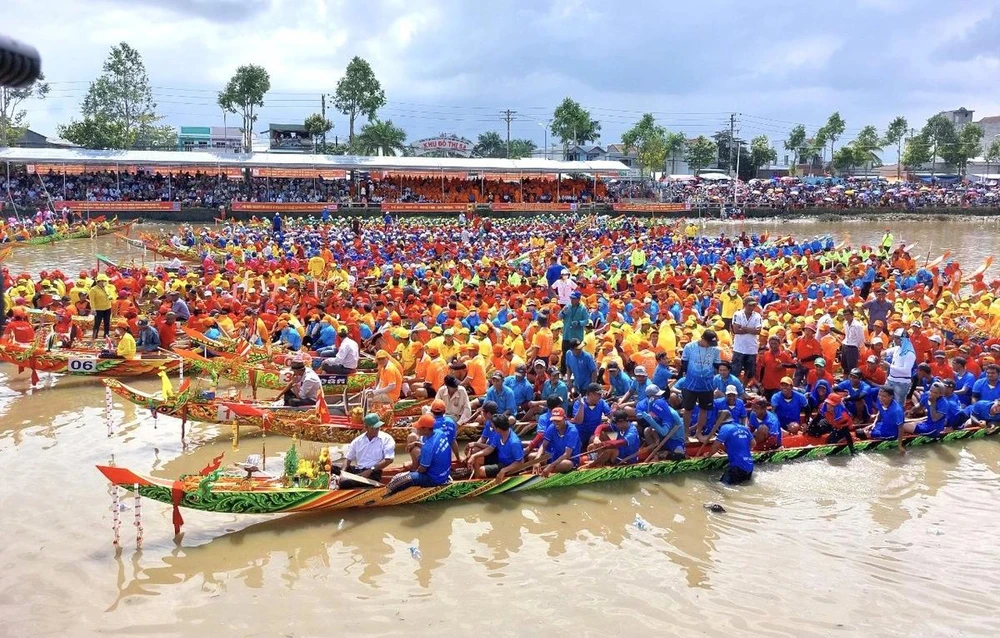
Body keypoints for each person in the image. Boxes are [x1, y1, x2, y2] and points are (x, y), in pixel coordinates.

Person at [386, 413, 453, 495]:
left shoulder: (427, 448)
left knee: (405, 479)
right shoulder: (439, 432)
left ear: (425, 430)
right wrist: (416, 443)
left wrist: (412, 475)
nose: (417, 429)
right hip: (444, 471)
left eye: (419, 428)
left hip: (435, 479)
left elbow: (422, 469)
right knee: (414, 449)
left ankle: (386, 493)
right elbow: (433, 448)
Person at [677, 329, 721, 439]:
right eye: (709, 343)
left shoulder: (715, 350)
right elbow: (684, 364)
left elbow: (716, 365)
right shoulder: (689, 347)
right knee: (688, 409)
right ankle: (686, 433)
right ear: (702, 339)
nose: (710, 345)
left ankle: (699, 432)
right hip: (691, 383)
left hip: (707, 384)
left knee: (704, 409)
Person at [338, 413, 395, 488]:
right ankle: (350, 477)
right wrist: (343, 472)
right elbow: (348, 458)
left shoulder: (386, 439)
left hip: (373, 473)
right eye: (374, 427)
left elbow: (389, 459)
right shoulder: (357, 441)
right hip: (358, 470)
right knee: (332, 467)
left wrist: (370, 470)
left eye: (378, 427)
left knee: (344, 483)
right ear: (366, 428)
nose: (377, 429)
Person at [467, 414, 525, 479]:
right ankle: (476, 480)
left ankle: (484, 481)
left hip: (508, 465)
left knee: (482, 470)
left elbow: (520, 461)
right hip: (500, 458)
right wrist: (474, 456)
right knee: (477, 458)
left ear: (498, 428)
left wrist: (504, 470)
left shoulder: (514, 442)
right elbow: (490, 448)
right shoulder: (498, 434)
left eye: (493, 427)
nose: (492, 429)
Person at [708, 410, 754, 485]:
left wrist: (708, 455)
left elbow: (715, 447)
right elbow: (753, 444)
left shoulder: (725, 428)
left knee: (719, 487)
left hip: (737, 467)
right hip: (749, 466)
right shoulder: (744, 428)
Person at [534, 406, 581, 475]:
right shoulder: (552, 427)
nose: (556, 423)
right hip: (554, 457)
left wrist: (550, 466)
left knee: (566, 464)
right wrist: (537, 461)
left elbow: (567, 454)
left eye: (558, 420)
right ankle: (540, 470)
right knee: (532, 456)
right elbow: (543, 446)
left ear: (565, 418)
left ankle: (545, 472)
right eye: (554, 420)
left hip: (569, 460)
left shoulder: (572, 431)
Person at [730, 296, 761, 384]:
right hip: (739, 348)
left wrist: (743, 328)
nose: (751, 307)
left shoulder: (757, 316)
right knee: (735, 371)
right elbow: (736, 330)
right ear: (744, 305)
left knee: (749, 371)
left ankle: (743, 388)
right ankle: (734, 387)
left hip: (751, 348)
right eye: (749, 305)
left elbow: (758, 331)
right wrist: (751, 330)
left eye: (753, 305)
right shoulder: (738, 314)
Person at [884, 328, 916, 407]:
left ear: (904, 339)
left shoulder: (909, 353)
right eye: (894, 337)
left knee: (898, 405)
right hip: (891, 379)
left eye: (898, 338)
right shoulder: (897, 348)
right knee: (884, 401)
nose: (895, 340)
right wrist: (882, 354)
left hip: (901, 382)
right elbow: (887, 352)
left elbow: (905, 370)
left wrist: (889, 366)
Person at [558, 291, 589, 373]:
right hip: (567, 335)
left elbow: (586, 321)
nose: (572, 300)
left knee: (577, 354)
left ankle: (576, 371)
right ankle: (563, 372)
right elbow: (559, 317)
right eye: (571, 298)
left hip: (577, 336)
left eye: (574, 299)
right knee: (565, 354)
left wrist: (579, 323)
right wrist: (563, 312)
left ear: (578, 299)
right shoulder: (567, 306)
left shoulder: (583, 309)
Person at [838, 307, 865, 374]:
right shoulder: (845, 324)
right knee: (845, 366)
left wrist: (855, 346)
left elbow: (861, 338)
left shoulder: (857, 325)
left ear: (852, 315)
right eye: (845, 315)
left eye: (848, 315)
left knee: (852, 368)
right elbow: (847, 336)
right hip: (845, 346)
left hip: (852, 347)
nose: (846, 317)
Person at [89, 274, 113, 339]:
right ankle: (94, 336)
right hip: (98, 309)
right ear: (99, 281)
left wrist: (111, 297)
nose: (105, 282)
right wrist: (93, 309)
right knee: (97, 323)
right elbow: (92, 301)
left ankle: (106, 335)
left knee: (107, 322)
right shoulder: (93, 290)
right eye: (104, 281)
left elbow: (111, 295)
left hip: (107, 308)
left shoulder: (106, 288)